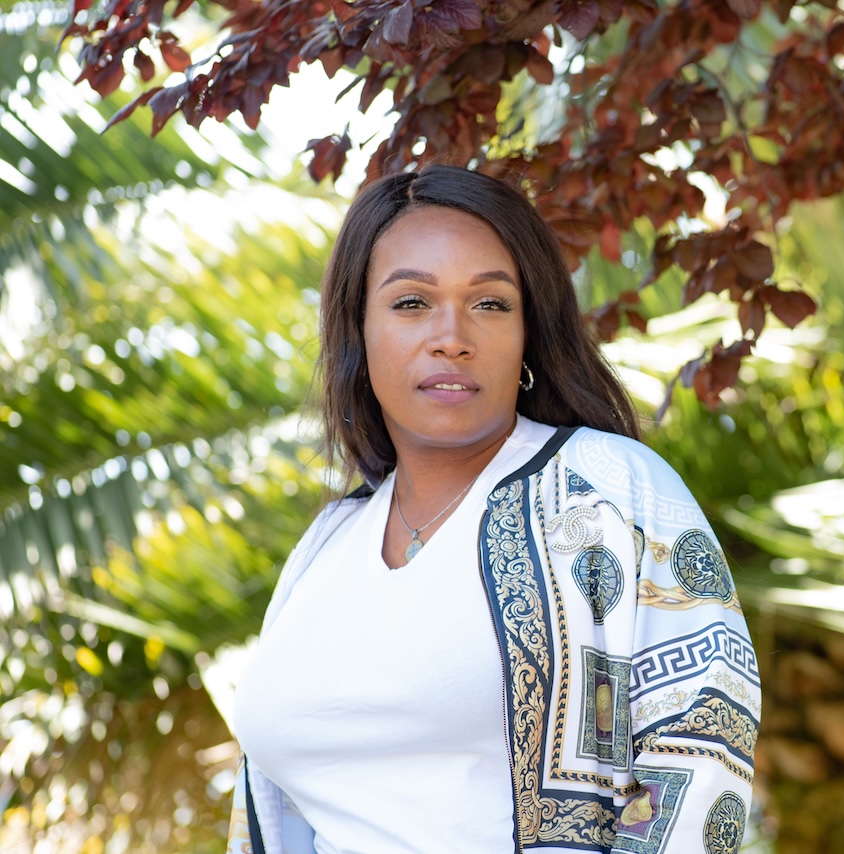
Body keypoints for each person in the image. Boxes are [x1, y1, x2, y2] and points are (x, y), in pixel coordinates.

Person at [227, 165, 760, 854]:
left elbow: (703, 737)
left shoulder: (607, 489)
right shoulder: (327, 544)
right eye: (412, 302)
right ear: (359, 332)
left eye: (490, 304)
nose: (452, 336)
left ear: (529, 332)